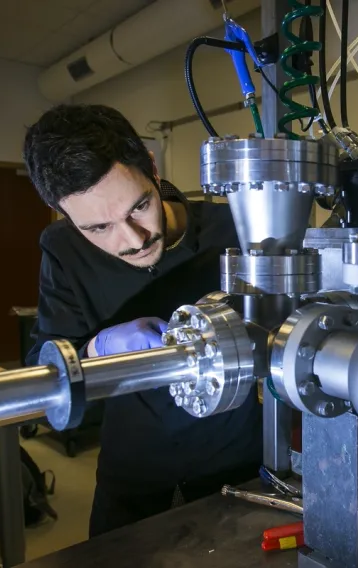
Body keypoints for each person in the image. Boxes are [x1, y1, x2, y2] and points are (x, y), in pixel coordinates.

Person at [23, 104, 262, 537]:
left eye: (139, 206)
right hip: (134, 465)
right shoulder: (63, 251)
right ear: (62, 211)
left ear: (151, 167)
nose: (132, 240)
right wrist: (98, 350)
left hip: (234, 460)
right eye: (98, 228)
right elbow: (42, 370)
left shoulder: (235, 230)